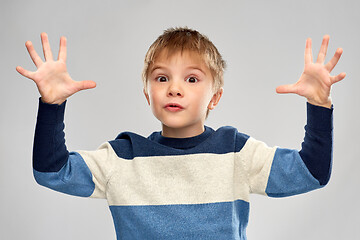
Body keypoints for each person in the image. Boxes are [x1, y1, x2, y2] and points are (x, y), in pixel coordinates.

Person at [16, 27, 346, 239]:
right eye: (161, 79)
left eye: (191, 79)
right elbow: (51, 171)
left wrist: (318, 106)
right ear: (148, 94)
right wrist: (52, 104)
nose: (174, 88)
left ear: (214, 97)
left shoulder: (236, 153)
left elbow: (311, 173)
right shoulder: (122, 158)